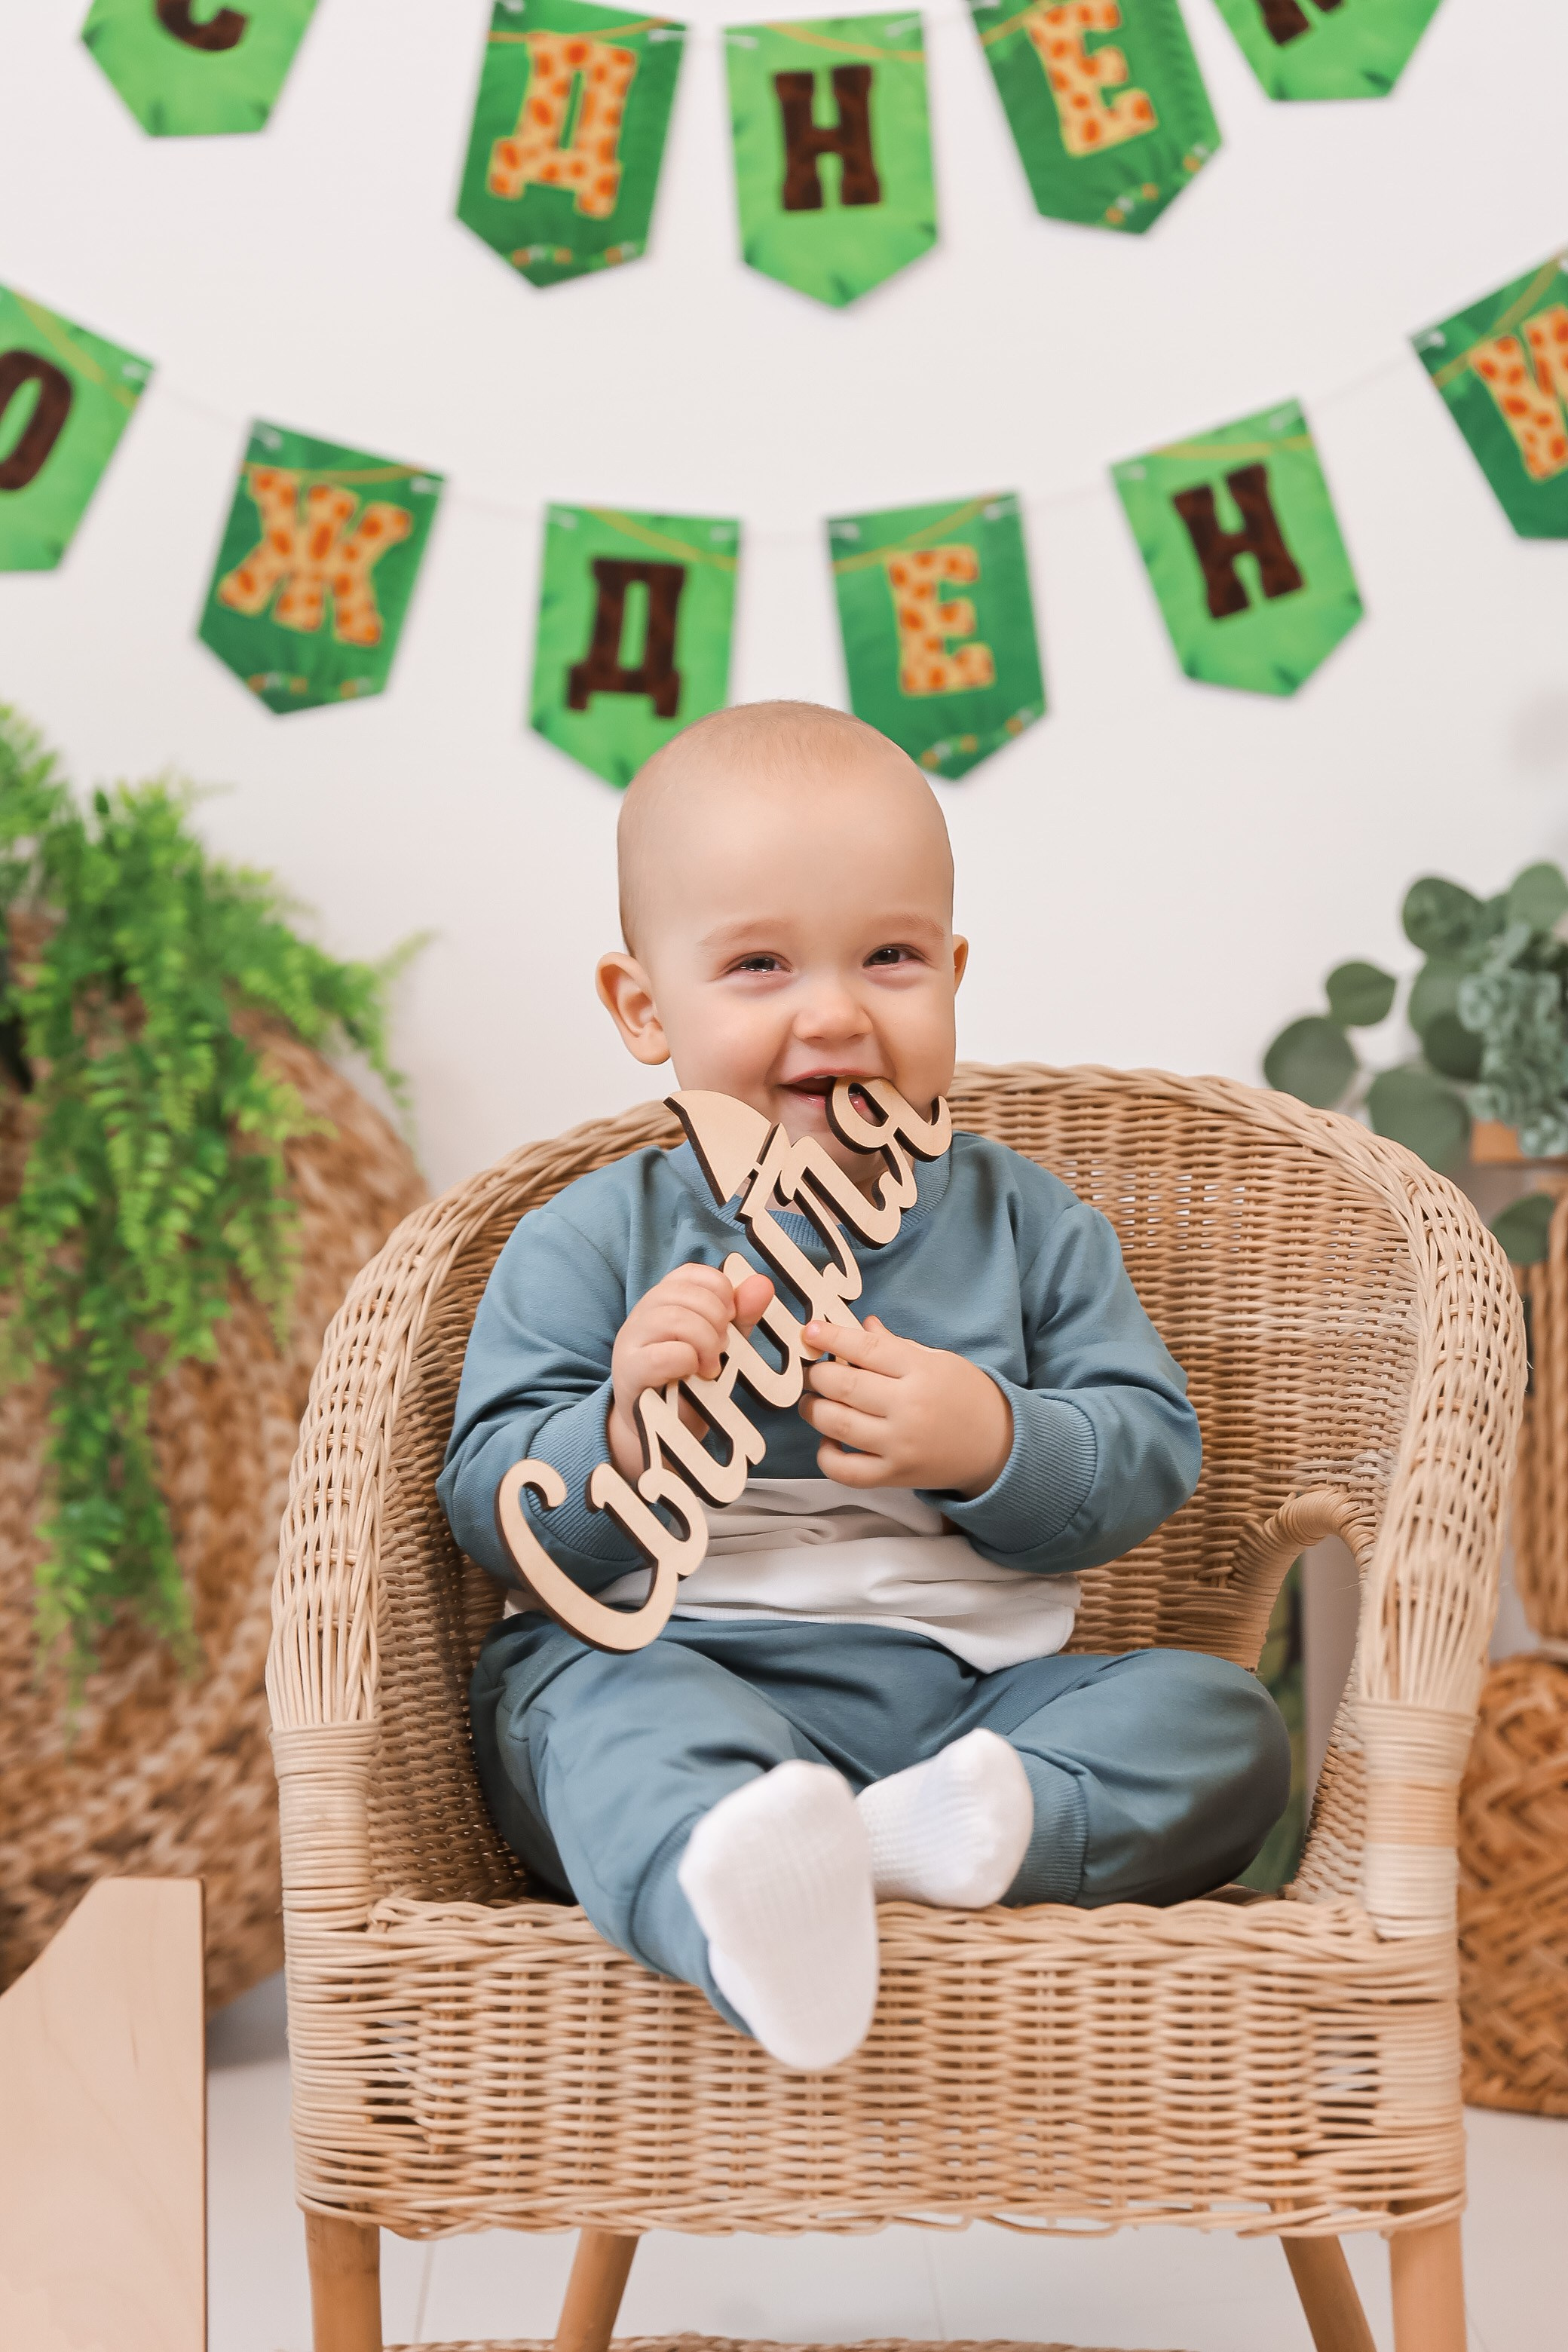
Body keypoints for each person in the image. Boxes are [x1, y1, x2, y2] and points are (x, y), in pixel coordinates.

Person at [439, 700, 1290, 2072]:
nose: (833, 1010)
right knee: (577, 1720)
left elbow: (1148, 1452)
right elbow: (489, 1504)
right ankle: (732, 1871)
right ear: (644, 1007)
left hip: (968, 1709)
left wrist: (992, 1441)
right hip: (681, 1672)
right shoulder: (595, 1237)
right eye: (760, 964)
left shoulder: (1028, 1226)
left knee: (1228, 1729)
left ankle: (904, 1849)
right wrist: (625, 1430)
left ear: (954, 970)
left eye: (890, 956)